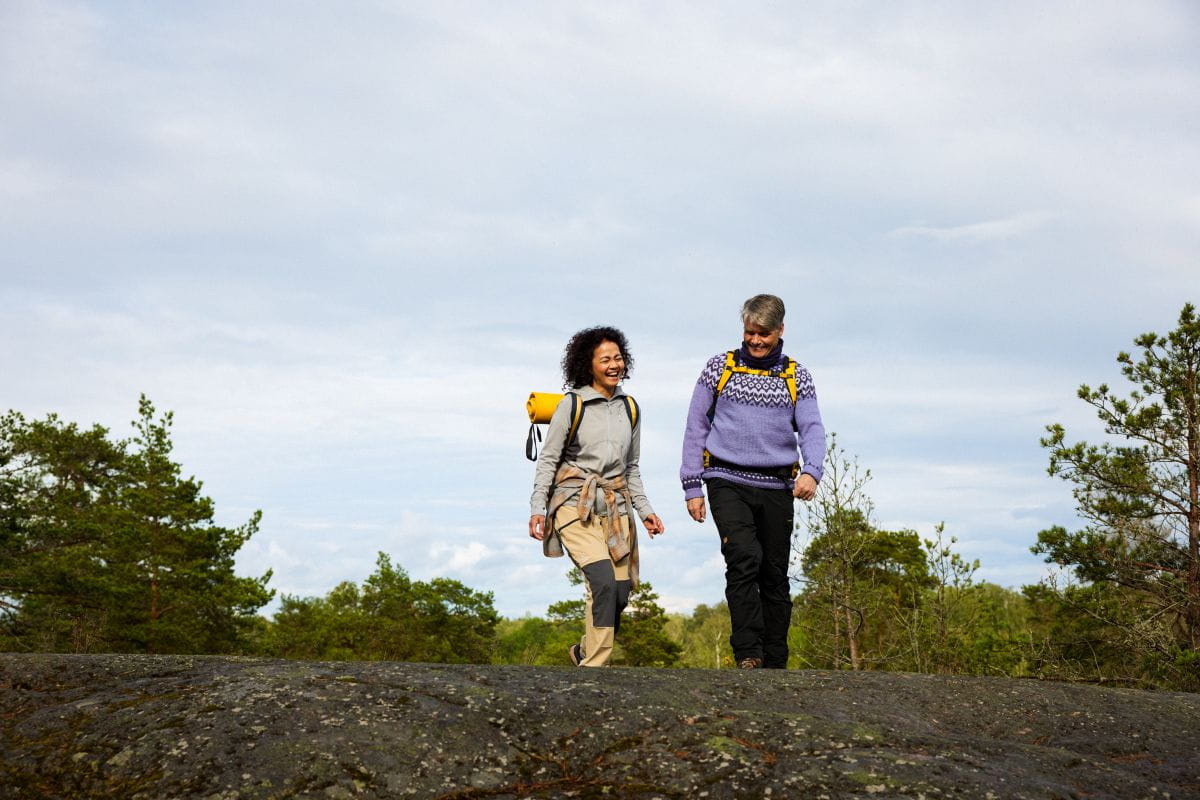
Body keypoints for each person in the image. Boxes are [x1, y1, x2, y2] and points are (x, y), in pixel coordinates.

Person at [680, 294, 825, 669]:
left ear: (780, 331)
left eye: (763, 334)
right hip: (726, 478)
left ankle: (775, 659)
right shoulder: (719, 368)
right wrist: (692, 485)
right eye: (749, 333)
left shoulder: (797, 376)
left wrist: (811, 471)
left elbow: (812, 428)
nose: (755, 341)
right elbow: (696, 427)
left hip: (777, 484)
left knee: (773, 572)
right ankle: (748, 653)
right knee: (744, 558)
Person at [529, 326, 666, 667]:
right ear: (588, 364)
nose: (613, 364)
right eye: (605, 359)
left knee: (619, 593)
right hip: (575, 505)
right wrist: (537, 509)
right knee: (602, 580)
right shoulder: (572, 405)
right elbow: (548, 459)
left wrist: (645, 510)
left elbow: (631, 467)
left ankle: (583, 652)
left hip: (616, 508)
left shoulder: (630, 408)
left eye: (618, 357)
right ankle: (595, 671)